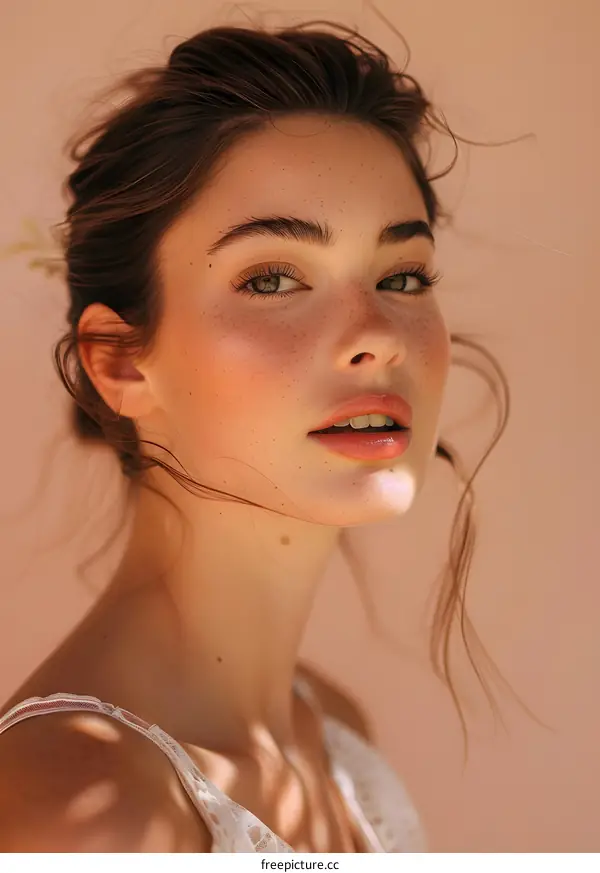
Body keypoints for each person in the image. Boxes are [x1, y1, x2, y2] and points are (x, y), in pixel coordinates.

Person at [0, 19, 506, 853]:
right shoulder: (79, 806)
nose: (376, 331)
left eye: (402, 274)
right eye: (273, 278)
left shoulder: (334, 732)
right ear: (120, 361)